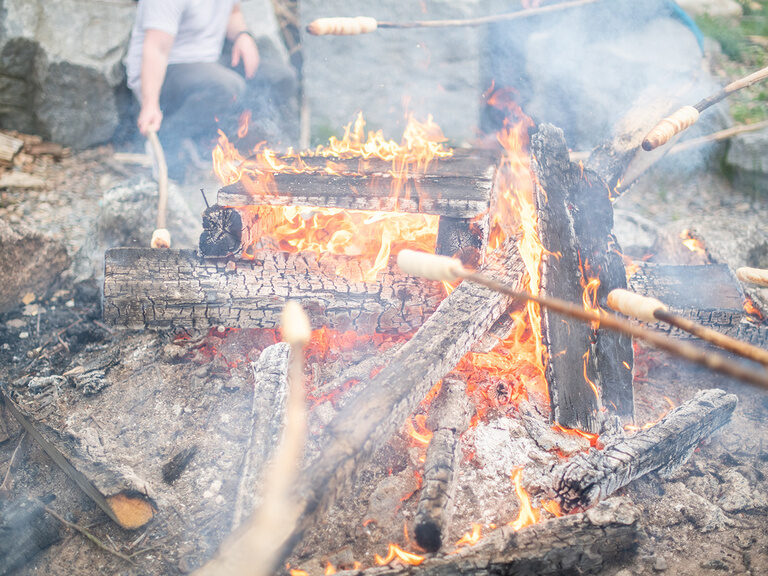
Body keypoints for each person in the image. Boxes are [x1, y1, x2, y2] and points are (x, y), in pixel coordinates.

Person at [124, 0, 260, 179]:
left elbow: (233, 12)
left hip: (209, 61)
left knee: (280, 77)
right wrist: (150, 104)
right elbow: (157, 49)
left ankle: (255, 159)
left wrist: (243, 35)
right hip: (163, 69)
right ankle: (167, 138)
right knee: (227, 87)